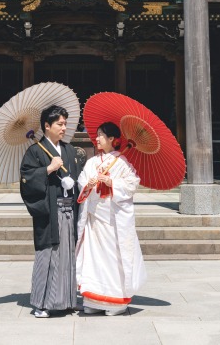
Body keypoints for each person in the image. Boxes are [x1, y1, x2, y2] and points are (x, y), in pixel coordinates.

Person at [76, 122, 146, 316]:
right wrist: (88, 184)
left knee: (112, 258)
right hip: (93, 217)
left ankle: (115, 302)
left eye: (101, 135)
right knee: (93, 258)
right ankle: (93, 300)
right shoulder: (91, 162)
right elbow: (82, 179)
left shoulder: (122, 162)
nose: (96, 139)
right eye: (97, 135)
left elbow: (132, 183)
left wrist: (112, 182)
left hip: (111, 218)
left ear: (112, 139)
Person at [20, 104, 82, 318]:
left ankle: (66, 300)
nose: (64, 128)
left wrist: (73, 183)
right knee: (47, 255)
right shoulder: (35, 151)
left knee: (66, 255)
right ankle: (42, 303)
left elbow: (77, 178)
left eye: (65, 123)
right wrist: (47, 169)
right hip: (49, 213)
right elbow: (27, 180)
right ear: (47, 126)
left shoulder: (69, 150)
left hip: (69, 209)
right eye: (59, 124)